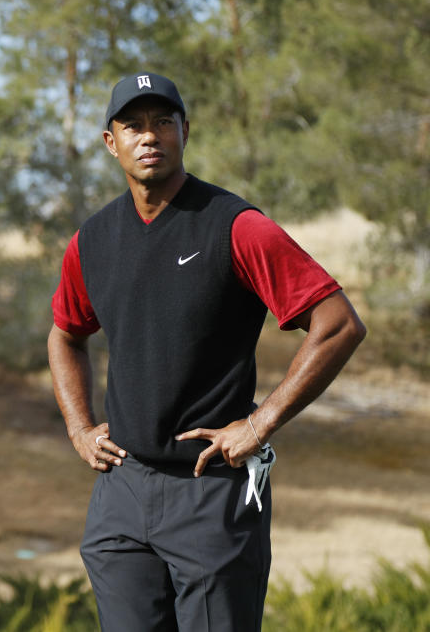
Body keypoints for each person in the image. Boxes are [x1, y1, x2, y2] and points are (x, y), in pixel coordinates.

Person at [47, 72, 366, 631]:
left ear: (185, 132)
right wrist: (78, 426)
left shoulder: (236, 227)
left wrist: (259, 423)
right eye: (134, 126)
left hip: (211, 489)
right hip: (121, 491)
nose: (150, 137)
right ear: (110, 141)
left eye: (163, 123)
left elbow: (337, 324)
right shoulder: (92, 240)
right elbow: (65, 333)